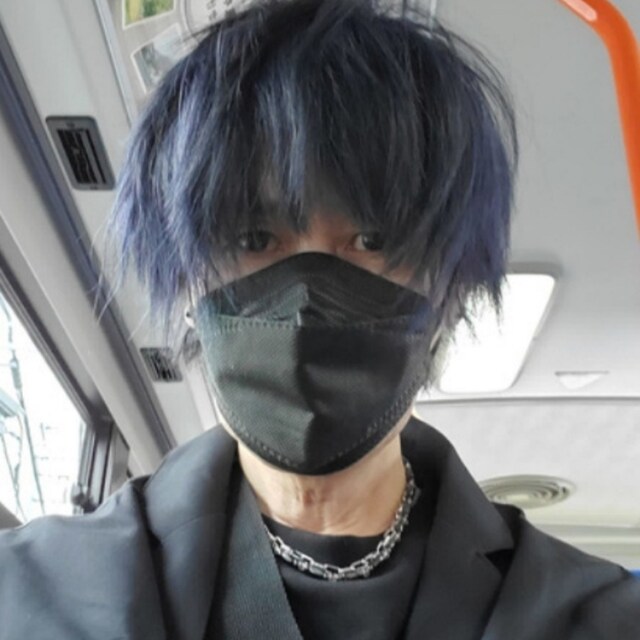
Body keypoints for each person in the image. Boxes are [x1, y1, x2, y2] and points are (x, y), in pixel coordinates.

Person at [1, 1, 639, 638]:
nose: (307, 299)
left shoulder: (602, 617)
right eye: (254, 239)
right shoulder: (31, 591)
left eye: (370, 240)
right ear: (188, 286)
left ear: (450, 295)